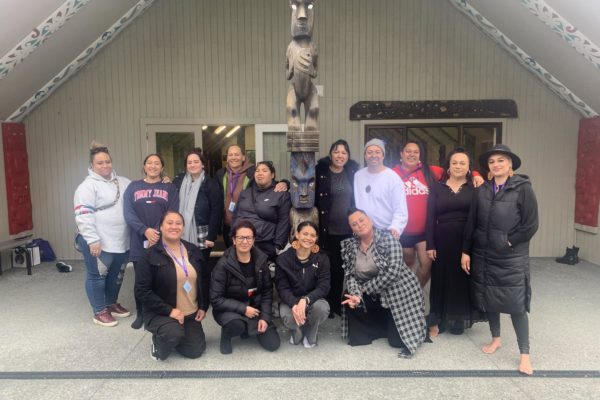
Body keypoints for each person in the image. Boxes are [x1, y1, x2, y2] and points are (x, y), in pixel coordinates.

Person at [461, 144, 538, 375]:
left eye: (501, 160)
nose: (496, 164)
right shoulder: (482, 190)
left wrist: (509, 242)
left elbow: (530, 225)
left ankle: (525, 355)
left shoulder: (523, 189)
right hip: (483, 254)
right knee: (489, 299)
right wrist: (466, 250)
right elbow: (471, 222)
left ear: (510, 164)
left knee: (516, 305)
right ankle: (496, 338)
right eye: (492, 161)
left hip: (511, 257)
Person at [392, 141, 483, 288]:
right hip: (402, 230)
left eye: (416, 152)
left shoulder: (430, 171)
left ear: (420, 155)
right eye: (408, 151)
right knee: (406, 264)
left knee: (426, 265)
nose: (412, 154)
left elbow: (456, 168)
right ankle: (403, 296)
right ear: (401, 154)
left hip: (424, 231)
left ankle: (414, 293)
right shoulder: (391, 173)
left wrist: (475, 174)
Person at [341, 208, 426, 358]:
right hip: (373, 293)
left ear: (370, 220)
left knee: (397, 342)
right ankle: (381, 325)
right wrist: (355, 294)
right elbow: (350, 275)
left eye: (361, 220)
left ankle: (424, 320)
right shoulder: (350, 246)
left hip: (398, 290)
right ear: (352, 229)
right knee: (348, 299)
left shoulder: (389, 240)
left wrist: (363, 289)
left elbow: (393, 273)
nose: (359, 225)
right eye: (354, 224)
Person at [134, 211, 208, 361]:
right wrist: (170, 311)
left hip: (190, 313)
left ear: (183, 227)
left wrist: (203, 306)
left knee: (194, 351)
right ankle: (159, 339)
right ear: (160, 227)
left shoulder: (193, 250)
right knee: (172, 336)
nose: (174, 226)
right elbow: (142, 291)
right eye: (169, 223)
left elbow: (205, 279)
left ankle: (176, 334)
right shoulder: (149, 255)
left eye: (178, 223)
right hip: (161, 312)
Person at [425, 148, 482, 337]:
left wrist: (468, 246)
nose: (458, 166)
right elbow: (430, 217)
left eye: (462, 163)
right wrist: (430, 243)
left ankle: (457, 318)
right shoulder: (437, 187)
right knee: (440, 278)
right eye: (454, 163)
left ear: (468, 167)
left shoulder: (475, 189)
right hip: (441, 240)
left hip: (466, 239)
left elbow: (476, 218)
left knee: (461, 278)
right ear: (448, 166)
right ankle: (437, 319)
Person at [74, 142, 131, 327]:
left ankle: (110, 303)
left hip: (120, 239)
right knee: (97, 276)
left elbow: (139, 193)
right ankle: (99, 311)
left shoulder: (123, 182)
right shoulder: (87, 186)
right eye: (100, 163)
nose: (105, 165)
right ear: (92, 165)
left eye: (107, 161)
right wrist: (92, 240)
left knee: (116, 275)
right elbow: (83, 215)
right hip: (98, 241)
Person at [123, 154, 179, 329]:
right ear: (144, 166)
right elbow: (128, 213)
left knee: (163, 278)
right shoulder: (133, 187)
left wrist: (156, 231)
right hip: (139, 241)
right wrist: (144, 230)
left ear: (162, 167)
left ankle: (160, 311)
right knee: (141, 279)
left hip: (162, 241)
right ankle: (141, 314)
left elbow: (172, 212)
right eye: (149, 163)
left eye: (157, 163)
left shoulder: (170, 188)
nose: (153, 166)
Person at [210, 219, 281, 354]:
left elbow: (267, 292)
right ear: (234, 240)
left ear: (254, 240)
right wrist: (244, 309)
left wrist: (265, 318)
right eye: (240, 237)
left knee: (273, 344)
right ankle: (227, 335)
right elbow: (216, 299)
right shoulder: (223, 265)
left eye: (248, 237)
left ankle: (248, 328)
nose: (244, 241)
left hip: (255, 309)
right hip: (229, 310)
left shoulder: (261, 260)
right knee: (236, 325)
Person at [315, 139, 359, 317]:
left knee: (342, 269)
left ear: (348, 156)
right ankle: (326, 304)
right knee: (327, 268)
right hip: (327, 229)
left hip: (347, 230)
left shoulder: (353, 172)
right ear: (330, 154)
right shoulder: (320, 172)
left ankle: (336, 303)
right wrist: (285, 183)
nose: (340, 155)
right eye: (336, 151)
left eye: (344, 152)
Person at [215, 145, 287, 248]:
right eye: (230, 155)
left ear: (243, 157)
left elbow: (268, 182)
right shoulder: (221, 174)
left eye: (237, 154)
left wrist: (285, 183)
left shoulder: (252, 172)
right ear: (227, 158)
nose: (233, 157)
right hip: (229, 224)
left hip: (257, 233)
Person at [276, 221, 331, 348]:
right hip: (291, 300)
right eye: (305, 234)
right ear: (297, 234)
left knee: (321, 309)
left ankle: (311, 334)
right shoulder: (283, 259)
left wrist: (306, 300)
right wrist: (295, 304)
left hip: (313, 300)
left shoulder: (322, 258)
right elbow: (282, 288)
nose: (308, 238)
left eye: (312, 235)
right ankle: (297, 332)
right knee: (288, 317)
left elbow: (324, 286)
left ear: (316, 238)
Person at [173, 148, 223, 265]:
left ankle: (200, 284)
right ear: (186, 166)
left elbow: (216, 211)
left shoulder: (211, 184)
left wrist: (211, 236)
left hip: (203, 233)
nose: (192, 165)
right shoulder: (178, 181)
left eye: (196, 162)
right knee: (182, 266)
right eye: (189, 162)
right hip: (181, 230)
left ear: (203, 164)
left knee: (201, 267)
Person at [233, 161, 292, 260]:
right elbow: (236, 216)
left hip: (265, 244)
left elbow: (284, 221)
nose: (260, 173)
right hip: (242, 242)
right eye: (257, 171)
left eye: (264, 171)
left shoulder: (281, 194)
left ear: (272, 175)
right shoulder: (245, 193)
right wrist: (233, 236)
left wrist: (278, 246)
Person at [353, 139, 407, 240]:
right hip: (363, 232)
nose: (373, 155)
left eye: (378, 152)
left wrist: (395, 228)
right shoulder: (358, 176)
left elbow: (400, 210)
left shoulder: (393, 177)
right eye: (369, 152)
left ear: (383, 155)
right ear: (365, 156)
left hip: (386, 232)